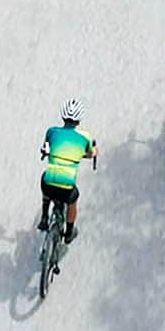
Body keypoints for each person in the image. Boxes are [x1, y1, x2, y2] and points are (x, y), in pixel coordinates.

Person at [38, 98, 98, 243]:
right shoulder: (85, 137)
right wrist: (91, 153)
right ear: (79, 119)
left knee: (45, 179)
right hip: (66, 187)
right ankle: (69, 232)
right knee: (73, 200)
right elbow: (91, 153)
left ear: (63, 116)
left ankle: (44, 217)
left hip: (49, 184)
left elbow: (46, 148)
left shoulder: (51, 132)